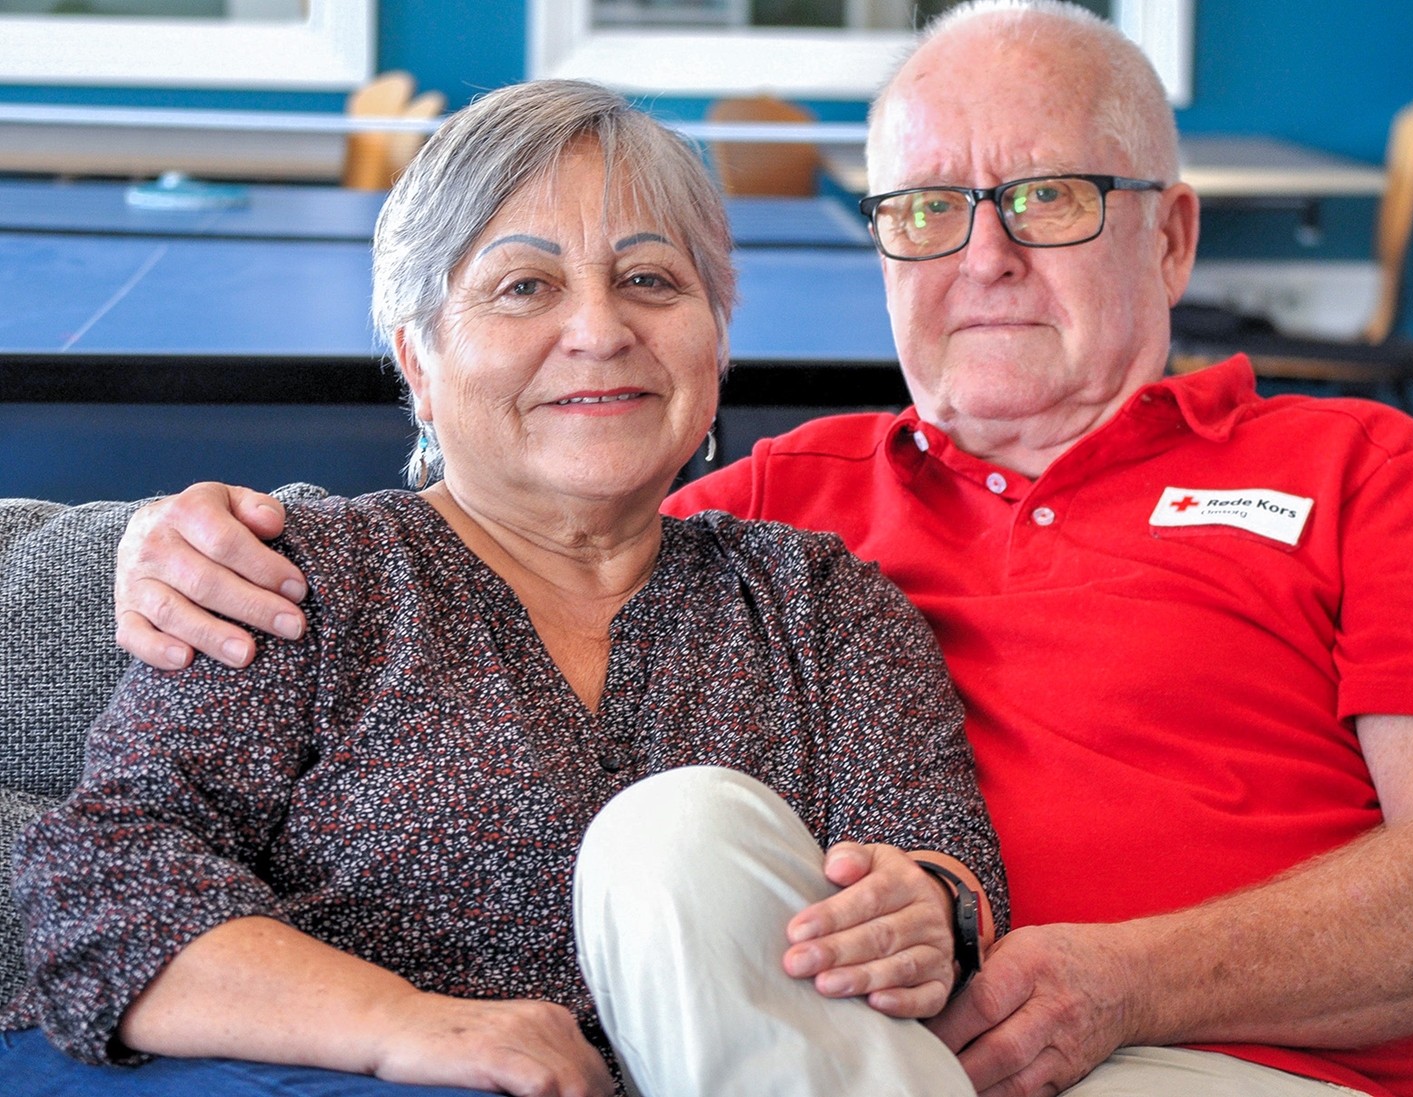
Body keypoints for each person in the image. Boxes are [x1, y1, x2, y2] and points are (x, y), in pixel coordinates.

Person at [105, 3, 1413, 1096]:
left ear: (1171, 240)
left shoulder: (1359, 467)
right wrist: (169, 545)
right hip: (854, 1060)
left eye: (1047, 198)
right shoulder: (772, 511)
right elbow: (519, 512)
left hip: (1229, 1070)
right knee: (673, 835)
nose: (983, 257)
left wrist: (1124, 980)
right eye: (928, 210)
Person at [0, 80, 1011, 1097]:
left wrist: (923, 911)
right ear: (419, 362)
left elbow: (946, 866)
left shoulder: (820, 605)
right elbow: (101, 887)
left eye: (652, 280)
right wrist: (410, 1028)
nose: (600, 329)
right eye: (524, 286)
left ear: (717, 339)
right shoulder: (298, 575)